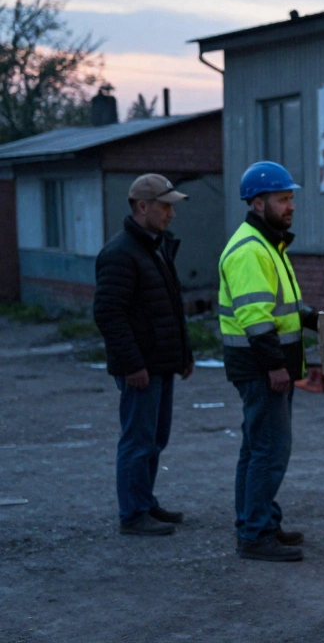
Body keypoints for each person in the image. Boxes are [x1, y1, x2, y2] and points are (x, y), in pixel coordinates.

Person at [218, 160, 316, 562]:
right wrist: (276, 366)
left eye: (291, 198)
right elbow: (256, 319)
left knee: (257, 449)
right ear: (258, 203)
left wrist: (315, 319)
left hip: (262, 366)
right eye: (282, 199)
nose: (290, 206)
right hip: (261, 368)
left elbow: (282, 307)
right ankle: (255, 534)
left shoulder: (267, 244)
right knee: (269, 451)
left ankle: (257, 522)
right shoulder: (250, 250)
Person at [93, 174, 193, 536]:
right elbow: (109, 313)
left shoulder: (155, 248)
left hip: (159, 363)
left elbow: (169, 308)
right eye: (165, 206)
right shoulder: (121, 253)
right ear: (142, 207)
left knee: (154, 439)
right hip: (142, 368)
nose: (171, 214)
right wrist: (133, 364)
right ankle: (134, 514)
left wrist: (184, 354)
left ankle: (144, 502)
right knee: (138, 440)